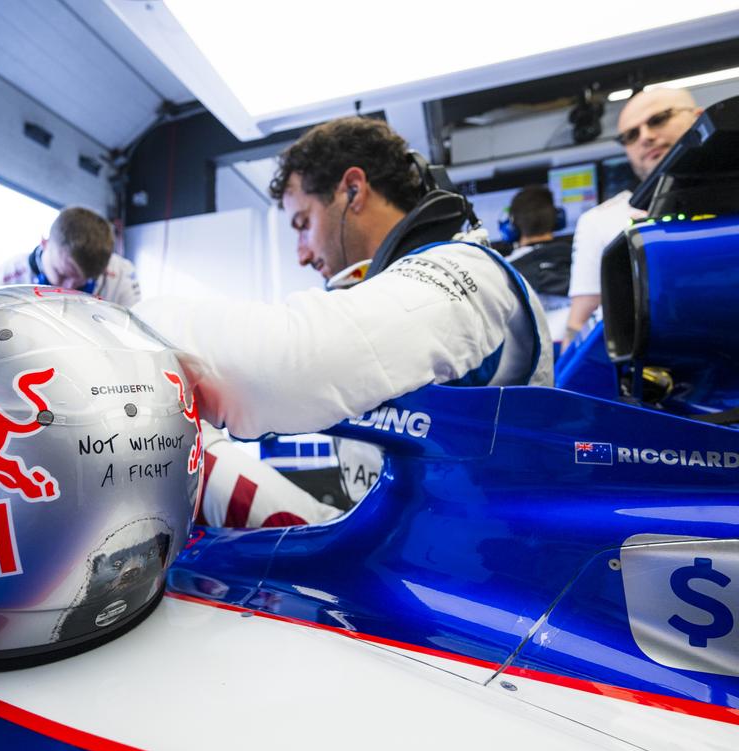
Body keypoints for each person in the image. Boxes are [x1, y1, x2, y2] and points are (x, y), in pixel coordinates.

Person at [133, 117, 553, 526]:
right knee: (198, 454)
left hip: (472, 566)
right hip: (397, 540)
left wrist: (127, 324)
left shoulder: (469, 271)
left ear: (353, 190)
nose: (300, 253)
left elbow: (294, 366)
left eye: (303, 224)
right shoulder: (396, 287)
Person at [564, 88, 702, 344]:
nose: (646, 137)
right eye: (631, 135)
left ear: (698, 117)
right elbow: (579, 323)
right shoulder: (600, 222)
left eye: (659, 119)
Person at [0, 206, 141, 307]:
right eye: (61, 274)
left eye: (81, 283)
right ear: (45, 243)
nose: (68, 288)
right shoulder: (7, 278)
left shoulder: (121, 275)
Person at [505, 185, 572, 342]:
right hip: (577, 356)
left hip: (531, 360)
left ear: (512, 226)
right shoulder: (579, 260)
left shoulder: (503, 270)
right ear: (558, 220)